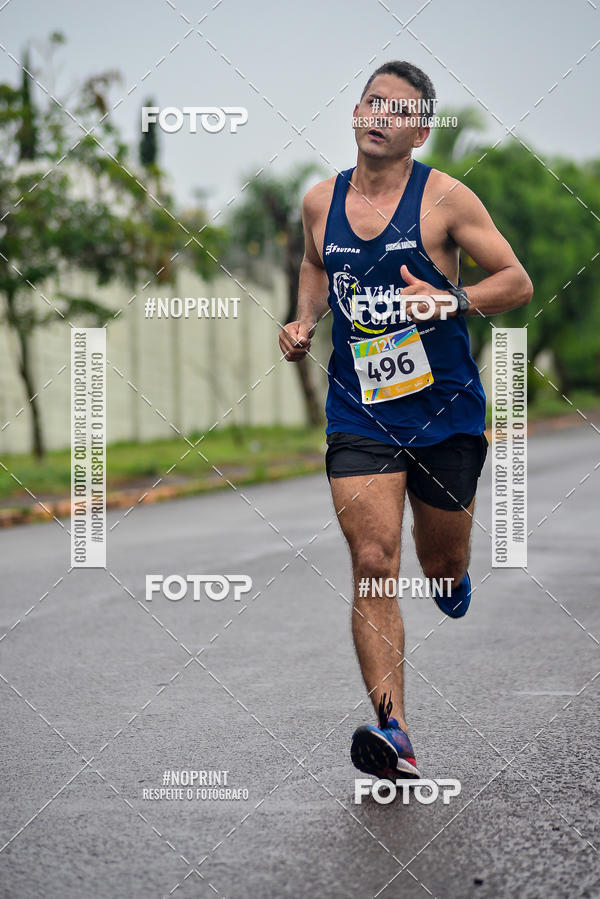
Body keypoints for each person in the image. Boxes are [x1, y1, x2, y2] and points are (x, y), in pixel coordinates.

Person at [278, 61, 532, 780]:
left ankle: (452, 575)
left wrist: (451, 300)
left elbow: (517, 282)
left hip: (445, 412)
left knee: (437, 560)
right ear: (355, 113)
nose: (378, 113)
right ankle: (395, 731)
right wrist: (302, 322)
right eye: (369, 101)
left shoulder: (447, 201)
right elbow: (314, 266)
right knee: (373, 560)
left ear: (421, 130)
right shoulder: (319, 202)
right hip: (359, 411)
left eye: (397, 107)